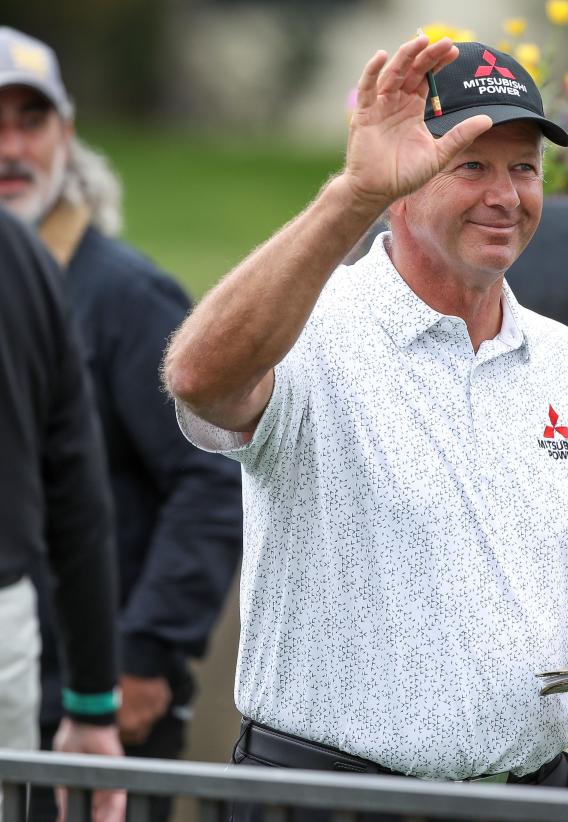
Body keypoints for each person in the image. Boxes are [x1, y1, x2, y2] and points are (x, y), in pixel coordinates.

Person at [163, 36, 568, 815]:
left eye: (523, 168)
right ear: (402, 188)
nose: (505, 194)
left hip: (528, 797)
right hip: (324, 798)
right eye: (470, 166)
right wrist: (348, 194)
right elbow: (198, 379)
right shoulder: (312, 331)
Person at [0, 27, 243, 818]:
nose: (11, 148)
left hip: (90, 708)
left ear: (66, 137)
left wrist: (141, 658)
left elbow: (209, 483)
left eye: (30, 122)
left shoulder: (126, 296)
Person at [0, 206, 125, 822]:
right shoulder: (23, 253)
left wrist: (94, 702)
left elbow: (77, 492)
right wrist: (93, 705)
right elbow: (77, 490)